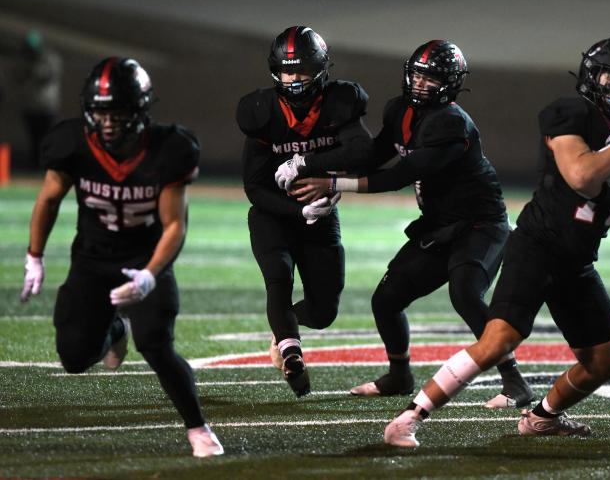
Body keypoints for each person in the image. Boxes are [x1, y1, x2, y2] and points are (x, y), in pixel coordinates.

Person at [378, 37, 610, 447]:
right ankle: (409, 418)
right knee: (499, 339)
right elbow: (581, 176)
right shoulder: (570, 114)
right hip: (538, 245)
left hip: (577, 260)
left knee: (603, 363)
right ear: (590, 75)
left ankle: (542, 417)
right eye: (608, 77)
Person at [289, 40, 532, 407]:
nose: (421, 84)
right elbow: (373, 157)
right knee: (386, 299)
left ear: (449, 83)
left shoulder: (450, 122)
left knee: (465, 293)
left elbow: (400, 175)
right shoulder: (400, 110)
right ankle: (400, 374)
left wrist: (335, 183)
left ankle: (515, 382)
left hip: (481, 225)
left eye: (431, 78)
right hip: (439, 225)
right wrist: (318, 165)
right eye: (418, 75)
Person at [19, 57, 223, 458]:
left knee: (157, 345)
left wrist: (149, 275)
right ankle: (115, 331)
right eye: (100, 112)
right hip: (92, 259)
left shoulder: (168, 148)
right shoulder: (71, 143)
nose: (108, 121)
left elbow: (174, 226)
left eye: (118, 112)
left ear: (141, 110)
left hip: (146, 259)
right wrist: (35, 256)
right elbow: (48, 199)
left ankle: (198, 428)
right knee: (74, 357)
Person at [236, 25, 373, 397]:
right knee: (278, 277)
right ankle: (290, 350)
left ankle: (285, 326)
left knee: (325, 309)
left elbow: (364, 152)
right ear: (275, 71)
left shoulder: (338, 102)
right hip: (275, 214)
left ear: (321, 71)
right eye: (287, 71)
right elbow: (254, 187)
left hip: (322, 216)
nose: (294, 80)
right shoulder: (262, 111)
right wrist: (299, 212)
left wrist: (306, 162)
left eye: (302, 72)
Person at [14, 30, 62, 169]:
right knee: (33, 138)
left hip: (47, 107)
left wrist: (33, 67)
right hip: (30, 107)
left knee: (47, 138)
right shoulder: (23, 60)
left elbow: (44, 76)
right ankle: (35, 165)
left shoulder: (50, 59)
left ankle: (48, 165)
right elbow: (17, 76)